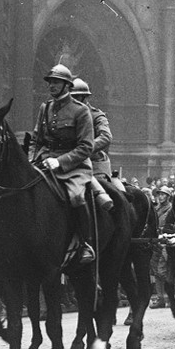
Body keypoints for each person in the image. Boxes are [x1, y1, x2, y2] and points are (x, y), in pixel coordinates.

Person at [28, 64, 98, 264]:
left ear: (67, 85)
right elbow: (36, 140)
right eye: (50, 82)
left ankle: (86, 243)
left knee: (76, 197)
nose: (51, 85)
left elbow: (86, 147)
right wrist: (32, 160)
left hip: (74, 168)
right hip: (44, 163)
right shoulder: (45, 108)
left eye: (56, 82)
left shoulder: (81, 111)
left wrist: (59, 162)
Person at [69, 78, 119, 206]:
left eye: (75, 97)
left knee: (101, 198)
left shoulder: (97, 116)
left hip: (93, 163)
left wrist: (84, 149)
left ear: (83, 97)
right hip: (68, 162)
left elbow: (106, 137)